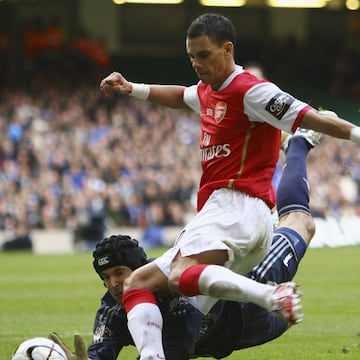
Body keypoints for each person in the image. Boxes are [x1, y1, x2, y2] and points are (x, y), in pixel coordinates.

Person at [99, 13, 360, 360]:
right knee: (137, 284)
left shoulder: (252, 90)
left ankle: (272, 297)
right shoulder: (209, 91)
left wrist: (357, 134)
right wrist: (133, 89)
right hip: (231, 214)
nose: (196, 63)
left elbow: (312, 118)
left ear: (227, 49)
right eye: (191, 56)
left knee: (181, 274)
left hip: (238, 205)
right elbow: (181, 96)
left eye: (203, 54)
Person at [49, 126, 322, 360]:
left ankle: (298, 145)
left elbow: (175, 350)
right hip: (226, 339)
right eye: (106, 277)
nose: (114, 283)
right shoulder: (112, 310)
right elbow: (101, 351)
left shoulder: (174, 290)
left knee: (301, 223)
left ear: (141, 268)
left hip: (249, 307)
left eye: (120, 273)